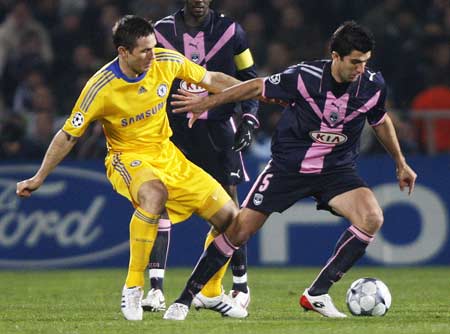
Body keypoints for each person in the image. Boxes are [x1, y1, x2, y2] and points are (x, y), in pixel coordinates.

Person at [162, 21, 417, 320]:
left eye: (365, 62)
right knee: (239, 229)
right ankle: (184, 298)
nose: (361, 68)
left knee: (372, 217)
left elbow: (379, 119)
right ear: (335, 56)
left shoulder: (373, 85)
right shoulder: (304, 77)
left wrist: (400, 162)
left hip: (336, 170)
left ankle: (317, 293)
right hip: (289, 168)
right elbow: (256, 87)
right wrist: (208, 102)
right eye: (355, 62)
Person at [15, 15, 249, 321]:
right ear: (123, 52)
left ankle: (211, 292)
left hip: (168, 155)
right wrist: (39, 177)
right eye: (144, 51)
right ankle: (133, 287)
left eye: (153, 47)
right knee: (154, 195)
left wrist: (256, 89)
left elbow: (210, 78)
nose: (153, 55)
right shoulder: (101, 86)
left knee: (232, 219)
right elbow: (68, 134)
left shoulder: (165, 60)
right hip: (127, 158)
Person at [141, 0, 259, 313]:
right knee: (159, 202)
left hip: (219, 132)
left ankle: (239, 285)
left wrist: (248, 120)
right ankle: (154, 290)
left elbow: (250, 78)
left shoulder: (232, 32)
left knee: (231, 207)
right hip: (174, 134)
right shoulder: (161, 32)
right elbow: (145, 78)